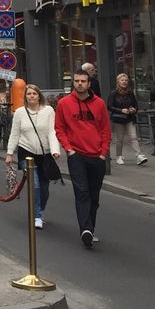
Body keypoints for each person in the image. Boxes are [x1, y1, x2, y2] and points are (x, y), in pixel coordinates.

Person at [55, 68, 111, 248]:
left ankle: (90, 229)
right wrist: (68, 149)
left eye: (83, 81)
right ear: (73, 82)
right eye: (76, 81)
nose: (79, 84)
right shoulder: (64, 103)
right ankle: (85, 229)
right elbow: (59, 128)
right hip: (76, 155)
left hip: (96, 155)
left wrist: (103, 153)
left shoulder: (99, 104)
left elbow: (105, 129)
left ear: (88, 83)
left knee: (94, 196)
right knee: (82, 193)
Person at [5, 84, 61, 229]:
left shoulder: (49, 111)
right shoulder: (19, 112)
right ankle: (37, 216)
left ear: (39, 96)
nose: (31, 96)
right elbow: (15, 134)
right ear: (25, 97)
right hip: (26, 152)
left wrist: (55, 150)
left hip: (45, 154)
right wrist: (10, 153)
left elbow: (52, 132)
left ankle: (39, 209)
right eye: (29, 94)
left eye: (34, 94)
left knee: (44, 189)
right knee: (34, 185)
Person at [107, 72, 146, 165]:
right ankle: (119, 156)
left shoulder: (130, 93)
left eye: (126, 80)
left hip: (129, 118)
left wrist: (133, 110)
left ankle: (139, 155)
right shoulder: (114, 93)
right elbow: (109, 106)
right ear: (118, 82)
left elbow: (135, 105)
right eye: (122, 80)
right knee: (120, 138)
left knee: (133, 137)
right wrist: (121, 110)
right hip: (118, 119)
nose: (124, 82)